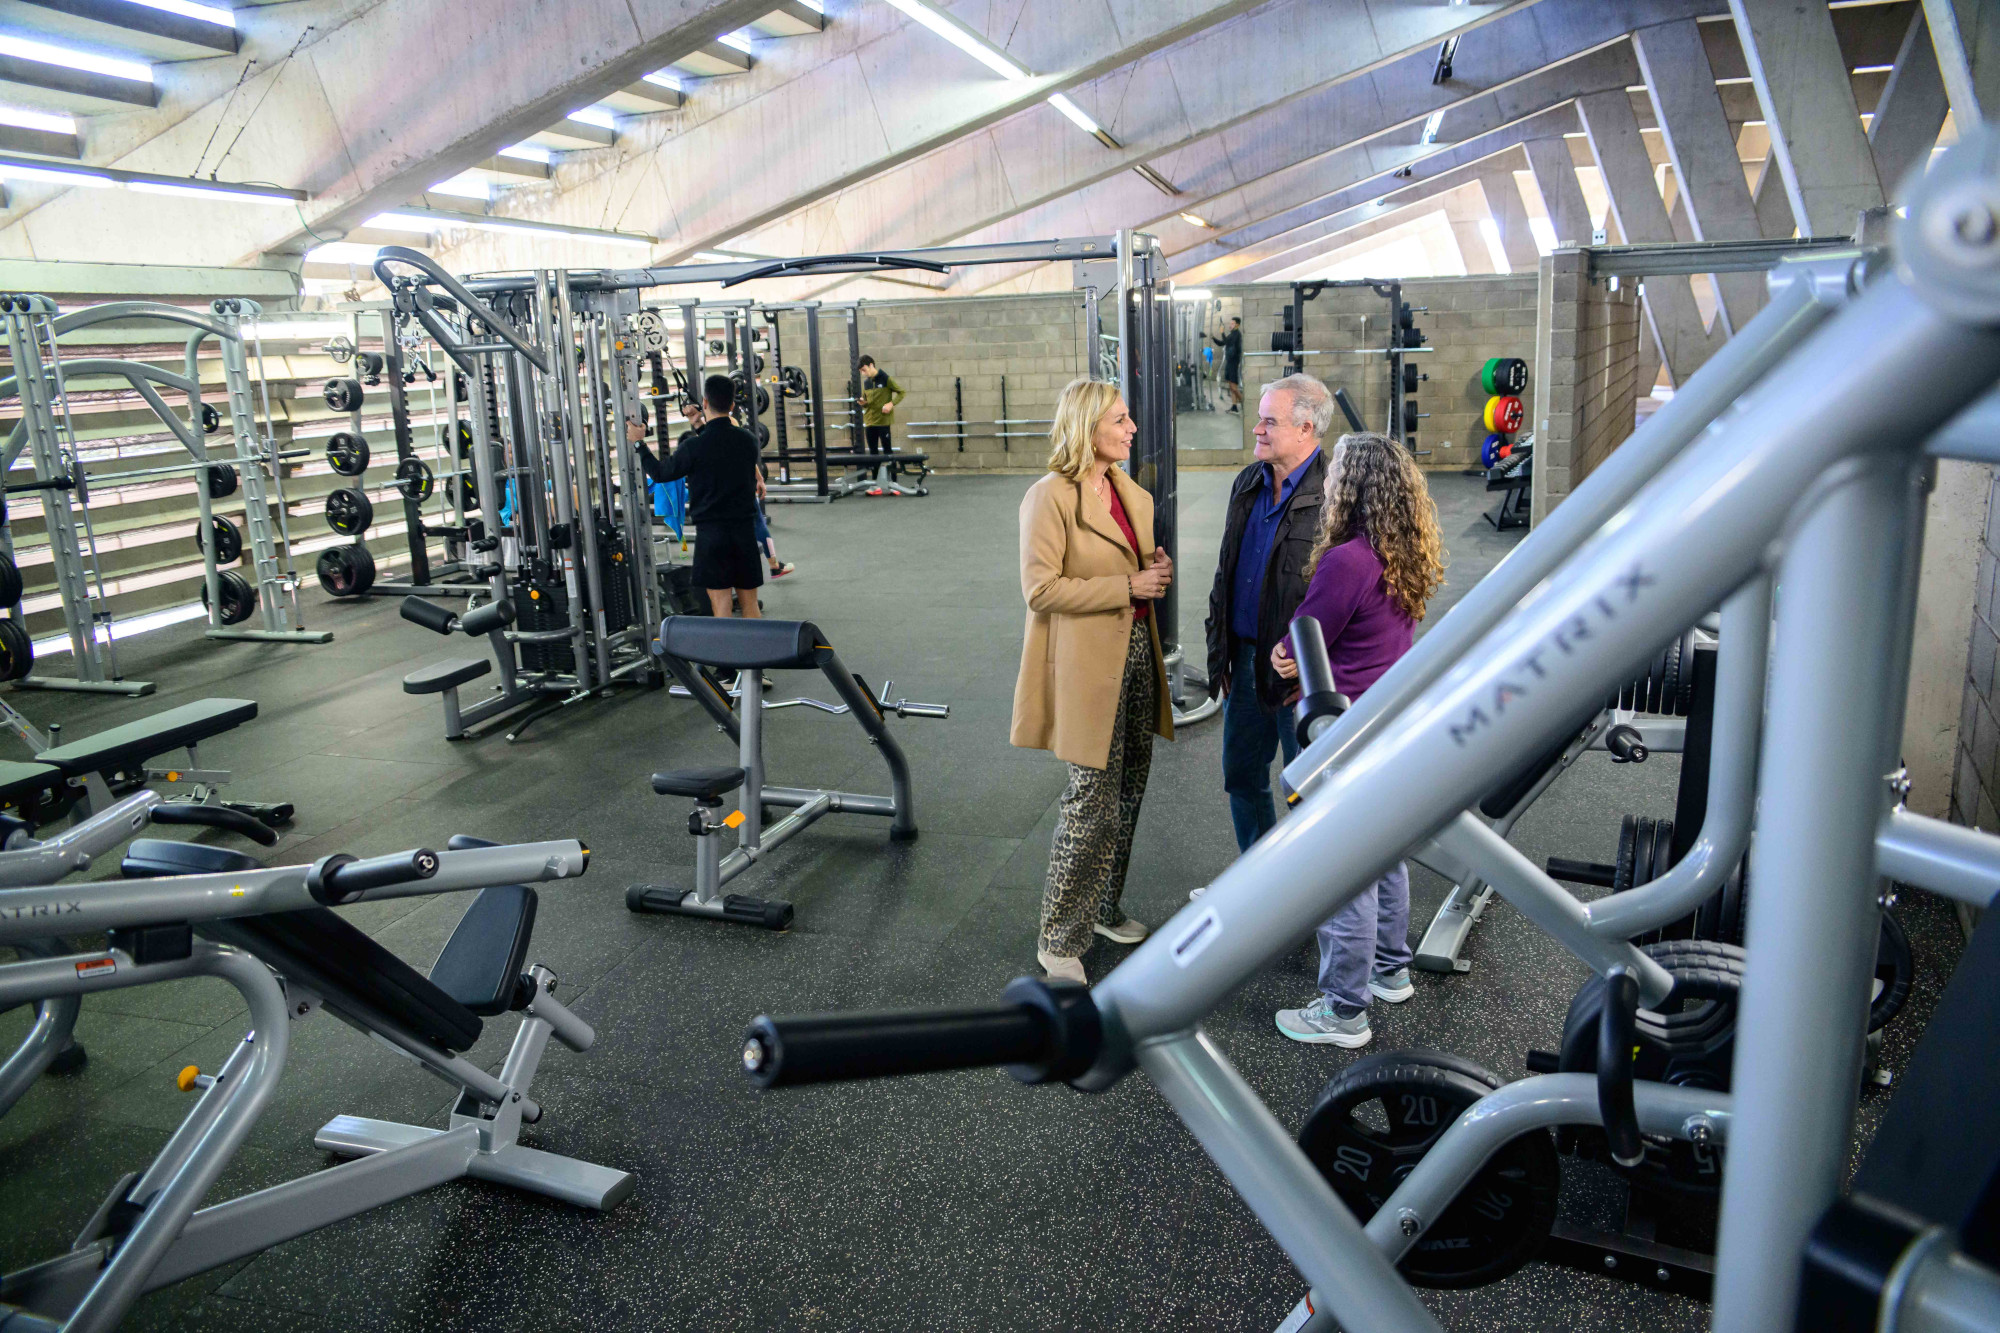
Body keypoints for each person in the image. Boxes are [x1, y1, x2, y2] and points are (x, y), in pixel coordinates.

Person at [1271, 431, 1446, 1049]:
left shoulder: (1348, 559)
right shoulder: (1402, 550)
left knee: (1344, 870)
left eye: (1335, 471)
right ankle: (1389, 969)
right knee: (1383, 853)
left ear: (1352, 486)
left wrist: (1282, 653)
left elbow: (1305, 637)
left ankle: (1344, 1010)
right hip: (1385, 722)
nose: (1327, 481)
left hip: (1342, 730)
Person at [1012, 378, 1175, 984]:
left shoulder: (1126, 491)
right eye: (1120, 420)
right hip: (1086, 665)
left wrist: (1153, 570)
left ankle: (1102, 909)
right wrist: (1128, 586)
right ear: (1087, 427)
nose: (1131, 429)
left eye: (1128, 418)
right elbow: (1040, 590)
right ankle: (1059, 938)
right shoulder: (1048, 497)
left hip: (1135, 653)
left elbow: (1129, 566)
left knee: (1128, 789)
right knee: (1090, 802)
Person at [1205, 373, 1331, 852]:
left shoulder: (1336, 494)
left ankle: (1308, 884)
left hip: (1301, 673)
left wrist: (1315, 656)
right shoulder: (1248, 482)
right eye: (1259, 419)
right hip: (1244, 661)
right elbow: (1226, 570)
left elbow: (1353, 590)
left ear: (1305, 428)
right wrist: (1220, 647)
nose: (1257, 429)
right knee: (1241, 776)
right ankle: (1258, 875)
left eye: (1269, 421)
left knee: (1307, 788)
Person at [634, 374, 764, 619]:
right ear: (732, 405)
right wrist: (699, 424)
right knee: (750, 605)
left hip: (713, 536)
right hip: (744, 533)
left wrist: (639, 444)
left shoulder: (692, 448)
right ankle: (756, 645)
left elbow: (661, 473)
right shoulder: (748, 441)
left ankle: (727, 647)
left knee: (721, 607)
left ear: (704, 402)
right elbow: (721, 446)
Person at [857, 354, 905, 455]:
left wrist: (891, 404)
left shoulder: (885, 378)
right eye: (861, 371)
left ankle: (892, 466)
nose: (863, 373)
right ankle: (875, 466)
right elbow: (866, 402)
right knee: (873, 453)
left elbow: (902, 392)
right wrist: (863, 403)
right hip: (870, 422)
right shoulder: (866, 383)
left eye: (864, 370)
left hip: (883, 422)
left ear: (871, 365)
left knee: (887, 452)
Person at [1211, 316, 1243, 412]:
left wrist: (1222, 332)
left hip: (1233, 362)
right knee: (1231, 386)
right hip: (1229, 362)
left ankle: (1244, 402)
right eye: (1230, 323)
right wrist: (1213, 338)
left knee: (1234, 387)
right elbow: (1222, 343)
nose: (1230, 325)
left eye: (1232, 323)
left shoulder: (1237, 334)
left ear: (1237, 325)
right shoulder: (1232, 334)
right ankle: (1234, 406)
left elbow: (1226, 341)